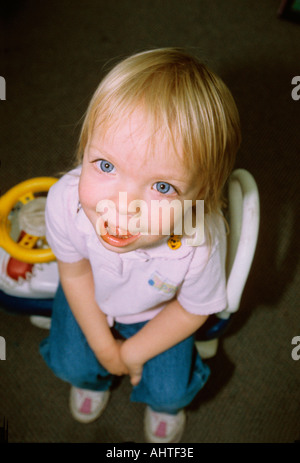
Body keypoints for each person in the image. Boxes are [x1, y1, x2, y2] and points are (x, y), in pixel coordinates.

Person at [40, 48, 241, 443]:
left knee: (170, 389)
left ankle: (165, 406)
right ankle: (92, 381)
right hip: (91, 290)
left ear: (201, 193)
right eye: (106, 165)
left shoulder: (199, 241)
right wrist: (104, 347)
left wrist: (130, 355)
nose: (122, 205)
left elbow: (190, 310)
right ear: (84, 149)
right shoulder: (66, 201)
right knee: (72, 363)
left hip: (161, 312)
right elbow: (74, 272)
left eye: (162, 186)